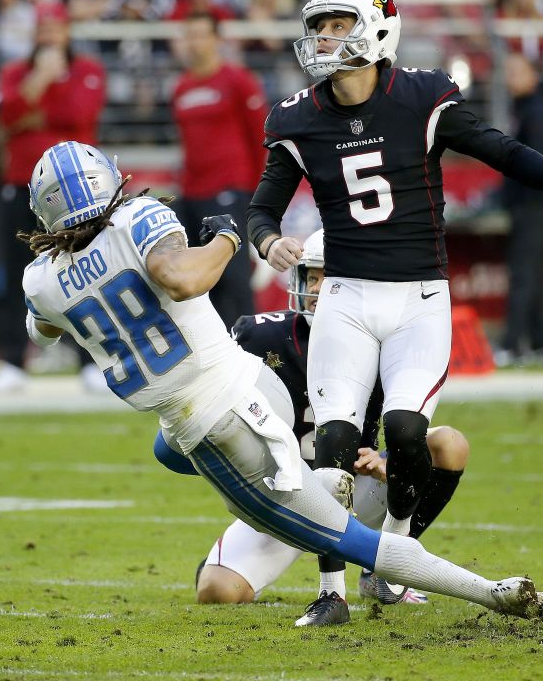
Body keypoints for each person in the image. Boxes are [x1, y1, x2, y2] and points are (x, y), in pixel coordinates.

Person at [20, 141, 543, 627]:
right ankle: (331, 509)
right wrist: (228, 237)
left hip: (213, 426)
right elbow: (182, 276)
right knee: (305, 484)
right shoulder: (139, 216)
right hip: (249, 385)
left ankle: (490, 593)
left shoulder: (39, 282)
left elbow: (44, 328)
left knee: (353, 536)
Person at [246, 0, 543, 601]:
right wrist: (267, 241)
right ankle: (329, 589)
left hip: (418, 298)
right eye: (321, 26)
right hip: (347, 297)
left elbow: (496, 147)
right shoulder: (297, 117)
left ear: (377, 28)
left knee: (407, 431)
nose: (325, 38)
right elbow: (261, 208)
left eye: (339, 25)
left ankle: (392, 554)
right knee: (335, 442)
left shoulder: (422, 94)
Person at [151, 230, 472, 626]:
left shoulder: (385, 342)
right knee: (217, 591)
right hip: (281, 491)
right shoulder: (259, 335)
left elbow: (404, 431)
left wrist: (387, 461)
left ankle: (384, 570)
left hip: (353, 493)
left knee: (448, 444)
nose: (320, 289)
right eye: (313, 277)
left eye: (330, 277)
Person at [0, 1, 107, 391]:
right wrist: (39, 81)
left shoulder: (88, 70)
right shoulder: (15, 73)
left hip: (74, 191)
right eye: (42, 31)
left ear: (66, 32)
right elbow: (5, 116)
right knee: (14, 275)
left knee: (83, 272)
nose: (48, 38)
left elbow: (80, 115)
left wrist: (35, 111)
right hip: (19, 182)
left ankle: (91, 361)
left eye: (55, 30)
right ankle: (12, 361)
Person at [169, 12, 266, 327]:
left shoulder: (238, 80)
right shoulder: (181, 87)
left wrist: (257, 191)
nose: (195, 42)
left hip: (230, 189)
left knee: (235, 275)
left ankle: (250, 345)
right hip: (193, 191)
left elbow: (260, 137)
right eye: (190, 35)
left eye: (201, 34)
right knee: (203, 277)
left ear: (216, 40)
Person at [497, 54, 543, 367]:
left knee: (523, 273)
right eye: (508, 72)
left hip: (533, 203)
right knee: (532, 273)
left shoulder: (536, 112)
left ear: (533, 76)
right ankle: (541, 343)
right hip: (531, 202)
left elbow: (537, 162)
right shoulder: (527, 108)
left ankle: (511, 344)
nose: (510, 78)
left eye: (516, 72)